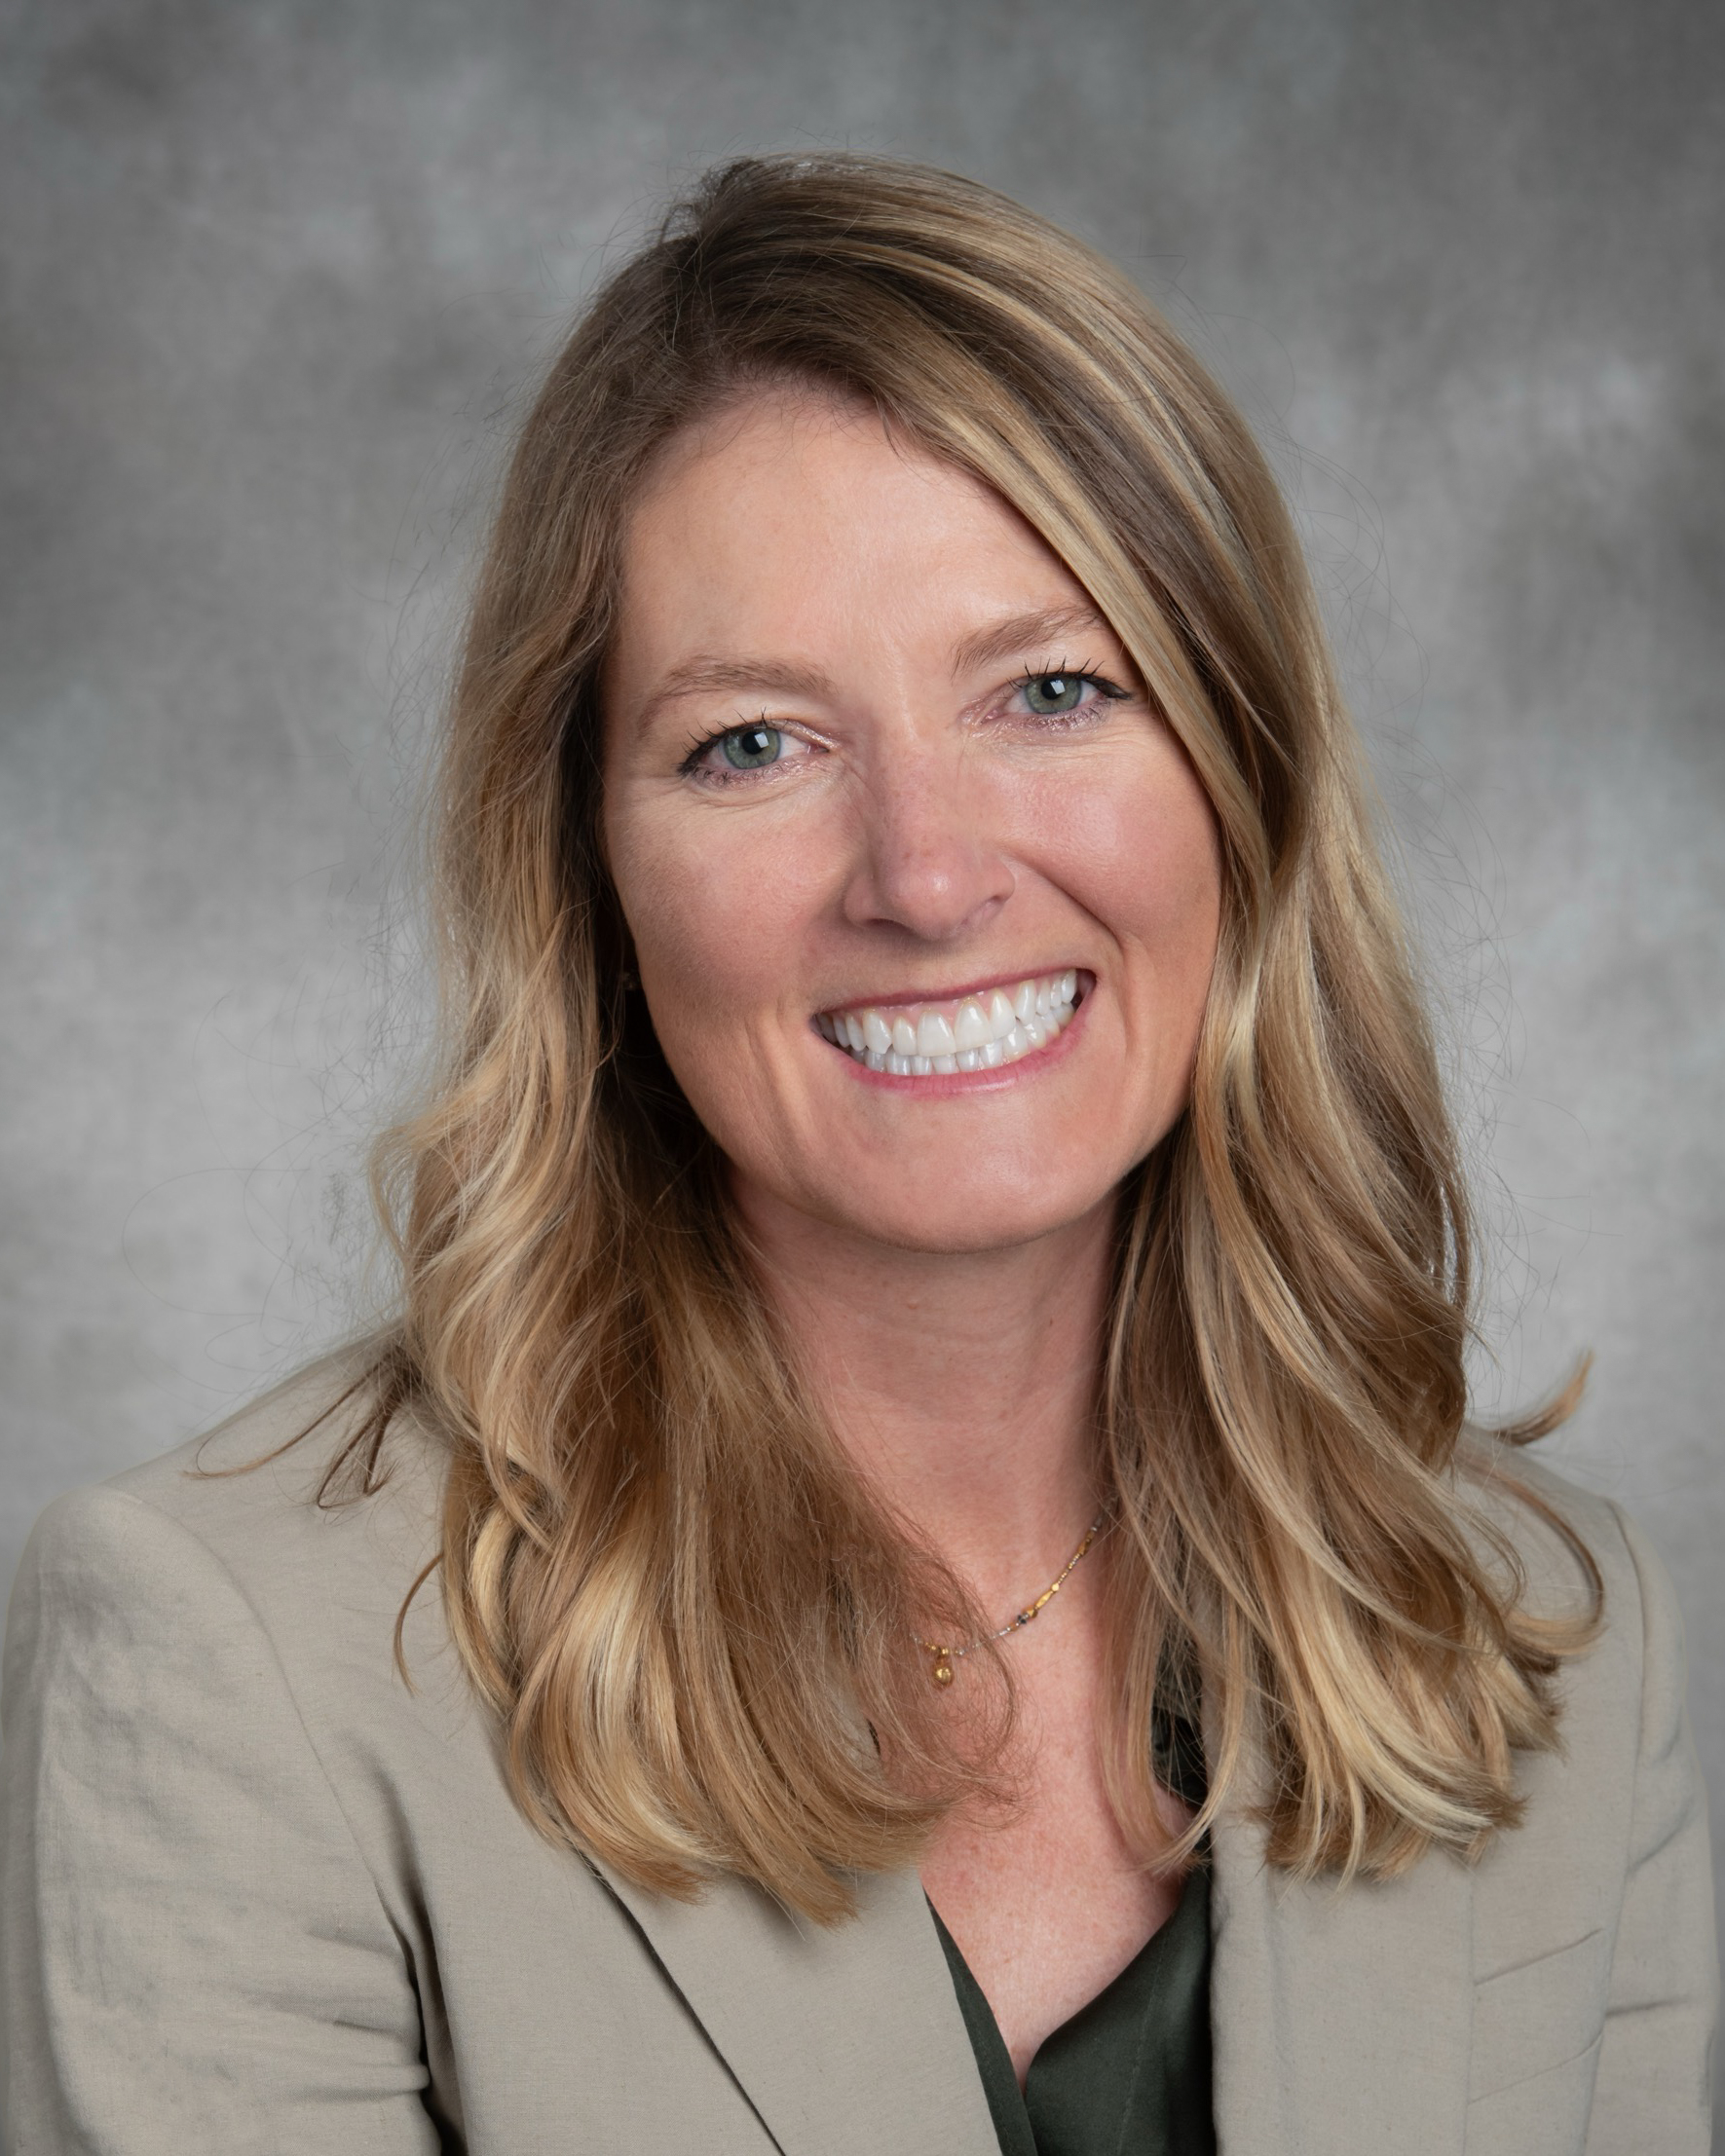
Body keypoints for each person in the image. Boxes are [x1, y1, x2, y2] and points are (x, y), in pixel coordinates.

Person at [1, 154, 1715, 2156]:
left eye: (1053, 691)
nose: (925, 873)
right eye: (753, 743)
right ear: (588, 879)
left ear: (1243, 782)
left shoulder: (1559, 1632)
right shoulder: (236, 1667)